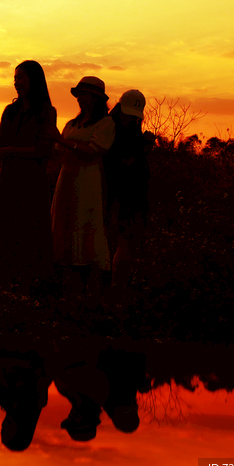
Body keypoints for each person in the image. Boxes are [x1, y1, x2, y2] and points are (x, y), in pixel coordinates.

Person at [0, 60, 57, 291]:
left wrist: (8, 151)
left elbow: (42, 151)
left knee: (28, 235)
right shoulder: (10, 110)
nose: (17, 83)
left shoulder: (46, 112)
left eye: (21, 78)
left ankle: (30, 289)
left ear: (35, 79)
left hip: (31, 183)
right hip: (7, 181)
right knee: (1, 235)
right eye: (15, 78)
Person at [49, 76, 115, 300]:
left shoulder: (105, 124)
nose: (81, 99)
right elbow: (60, 152)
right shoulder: (72, 124)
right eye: (79, 95)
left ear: (96, 98)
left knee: (85, 223)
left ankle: (89, 286)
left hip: (87, 181)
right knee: (64, 223)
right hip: (66, 178)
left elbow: (93, 150)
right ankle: (66, 287)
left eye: (85, 95)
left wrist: (62, 141)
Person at [104, 90, 150, 293]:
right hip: (114, 193)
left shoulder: (131, 130)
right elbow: (120, 163)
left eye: (135, 115)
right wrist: (144, 149)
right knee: (113, 242)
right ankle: (112, 289)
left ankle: (118, 288)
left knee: (127, 243)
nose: (131, 118)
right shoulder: (109, 128)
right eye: (129, 113)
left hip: (133, 194)